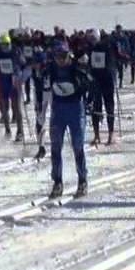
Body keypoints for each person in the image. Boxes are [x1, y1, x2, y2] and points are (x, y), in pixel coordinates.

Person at [45, 47, 95, 198]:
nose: (60, 60)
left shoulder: (76, 68)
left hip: (75, 109)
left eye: (63, 56)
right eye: (57, 56)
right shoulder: (52, 68)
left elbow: (91, 84)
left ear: (69, 56)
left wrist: (90, 102)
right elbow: (44, 84)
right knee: (55, 146)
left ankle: (82, 181)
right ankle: (57, 182)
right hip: (58, 110)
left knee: (77, 146)